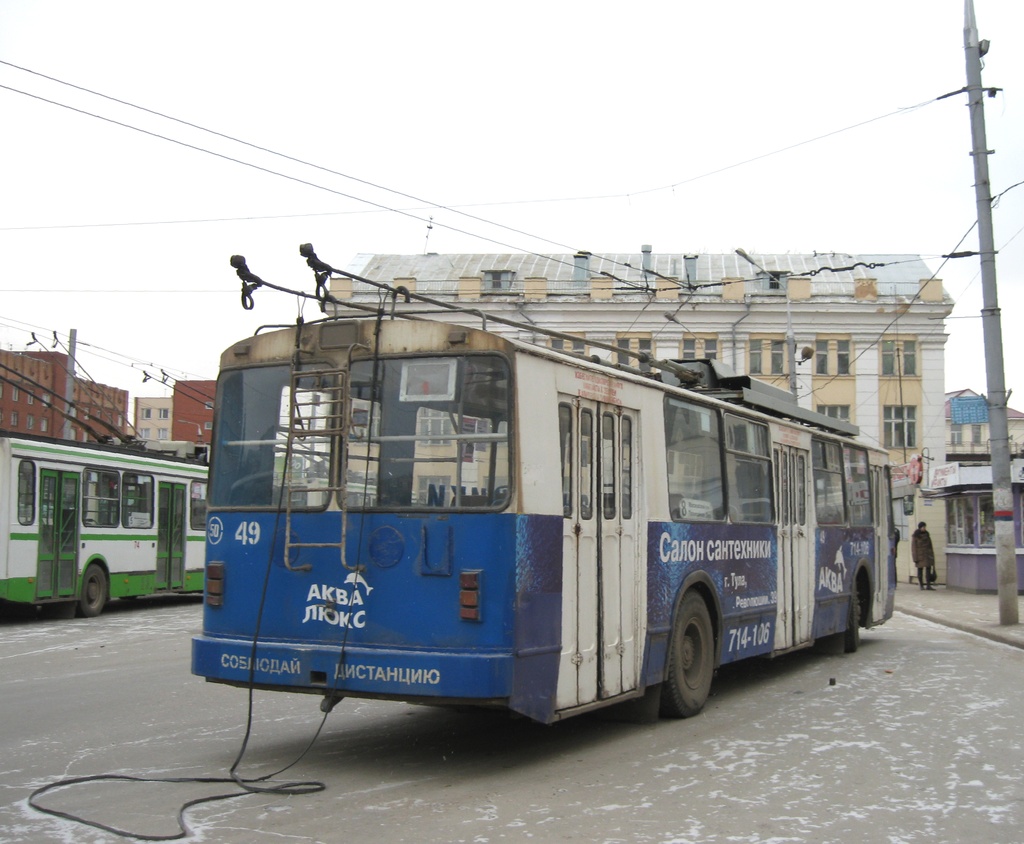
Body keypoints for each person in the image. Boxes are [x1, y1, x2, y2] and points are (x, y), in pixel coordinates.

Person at [911, 521, 936, 590]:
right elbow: (914, 548)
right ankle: (921, 585)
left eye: (925, 527)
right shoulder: (916, 536)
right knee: (920, 570)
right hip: (920, 556)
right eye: (923, 527)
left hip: (927, 555)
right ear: (920, 527)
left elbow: (930, 546)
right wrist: (915, 558)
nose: (924, 528)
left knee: (928, 570)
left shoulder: (927, 534)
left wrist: (932, 555)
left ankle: (928, 585)